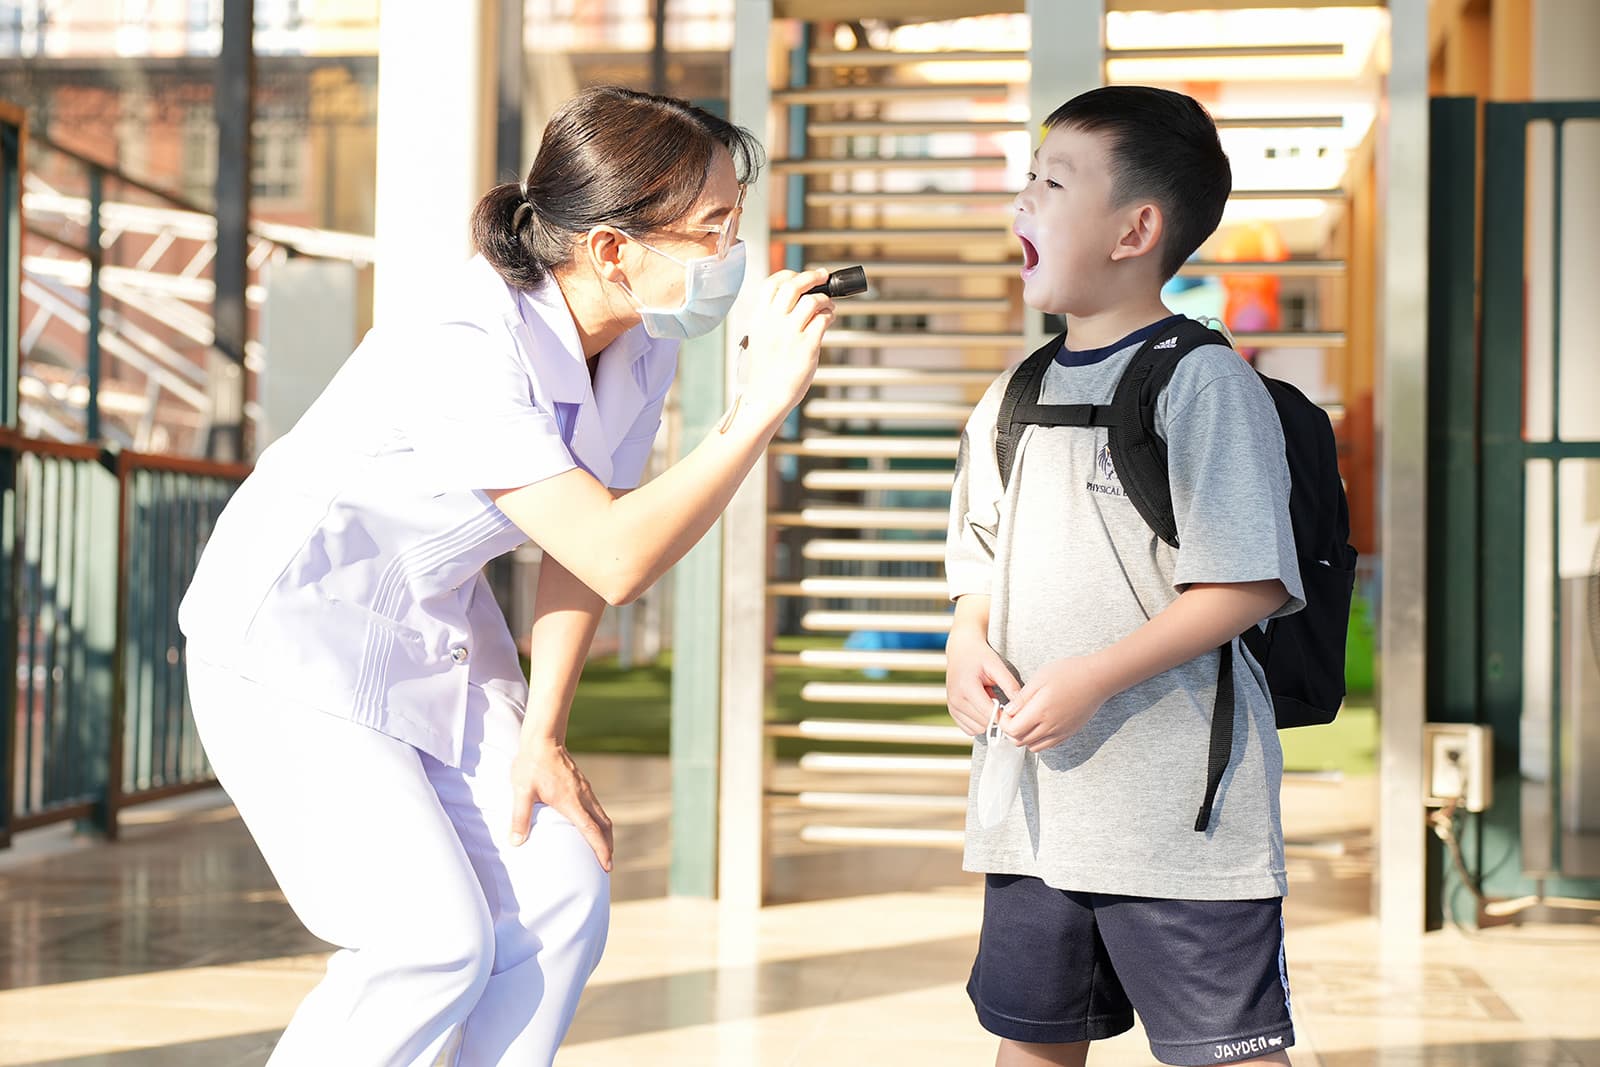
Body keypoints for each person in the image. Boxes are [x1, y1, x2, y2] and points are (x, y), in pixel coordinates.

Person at [178, 85, 837, 1066]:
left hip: (433, 622)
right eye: (712, 230)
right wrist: (758, 407)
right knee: (425, 943)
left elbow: (584, 547)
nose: (734, 256)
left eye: (733, 225)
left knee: (564, 888)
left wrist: (544, 733)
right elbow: (617, 552)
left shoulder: (639, 344)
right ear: (613, 249)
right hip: (287, 638)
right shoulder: (464, 339)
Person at [944, 85, 1306, 1067]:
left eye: (1051, 183)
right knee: (1033, 1042)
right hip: (1031, 813)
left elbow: (1246, 583)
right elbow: (976, 563)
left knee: (1230, 1052)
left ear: (1134, 228)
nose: (1022, 202)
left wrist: (1093, 674)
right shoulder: (1012, 393)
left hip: (1176, 823)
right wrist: (965, 640)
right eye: (1025, 179)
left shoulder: (1204, 382)